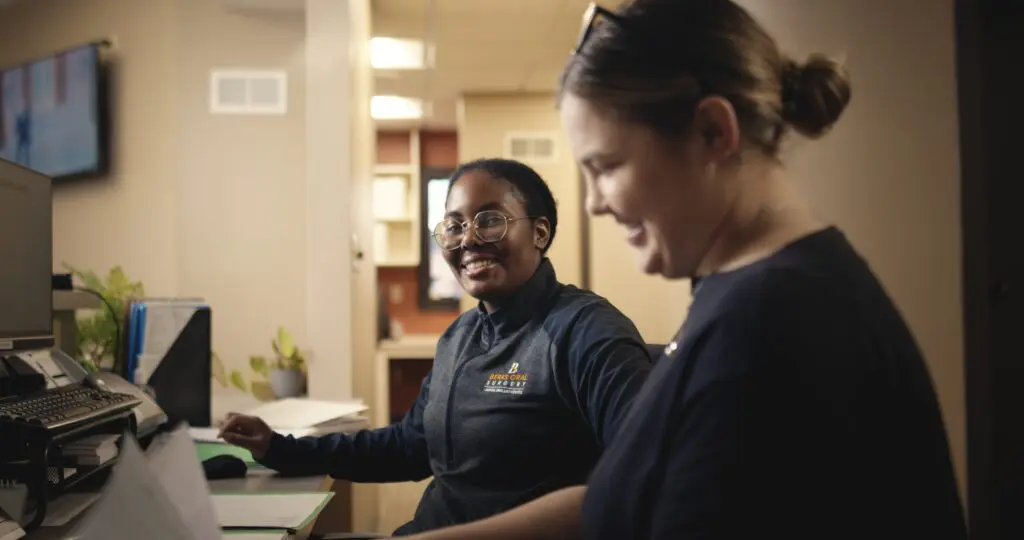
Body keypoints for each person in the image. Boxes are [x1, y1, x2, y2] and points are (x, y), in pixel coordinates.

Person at [402, 1, 967, 539]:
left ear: (713, 133)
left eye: (607, 167)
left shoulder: (772, 323)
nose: (595, 204)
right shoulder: (753, 292)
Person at [219, 158, 653, 535]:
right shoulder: (461, 335)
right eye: (454, 225)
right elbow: (410, 447)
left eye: (490, 220)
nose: (467, 239)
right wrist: (280, 448)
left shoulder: (586, 330)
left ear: (540, 232)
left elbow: (644, 477)